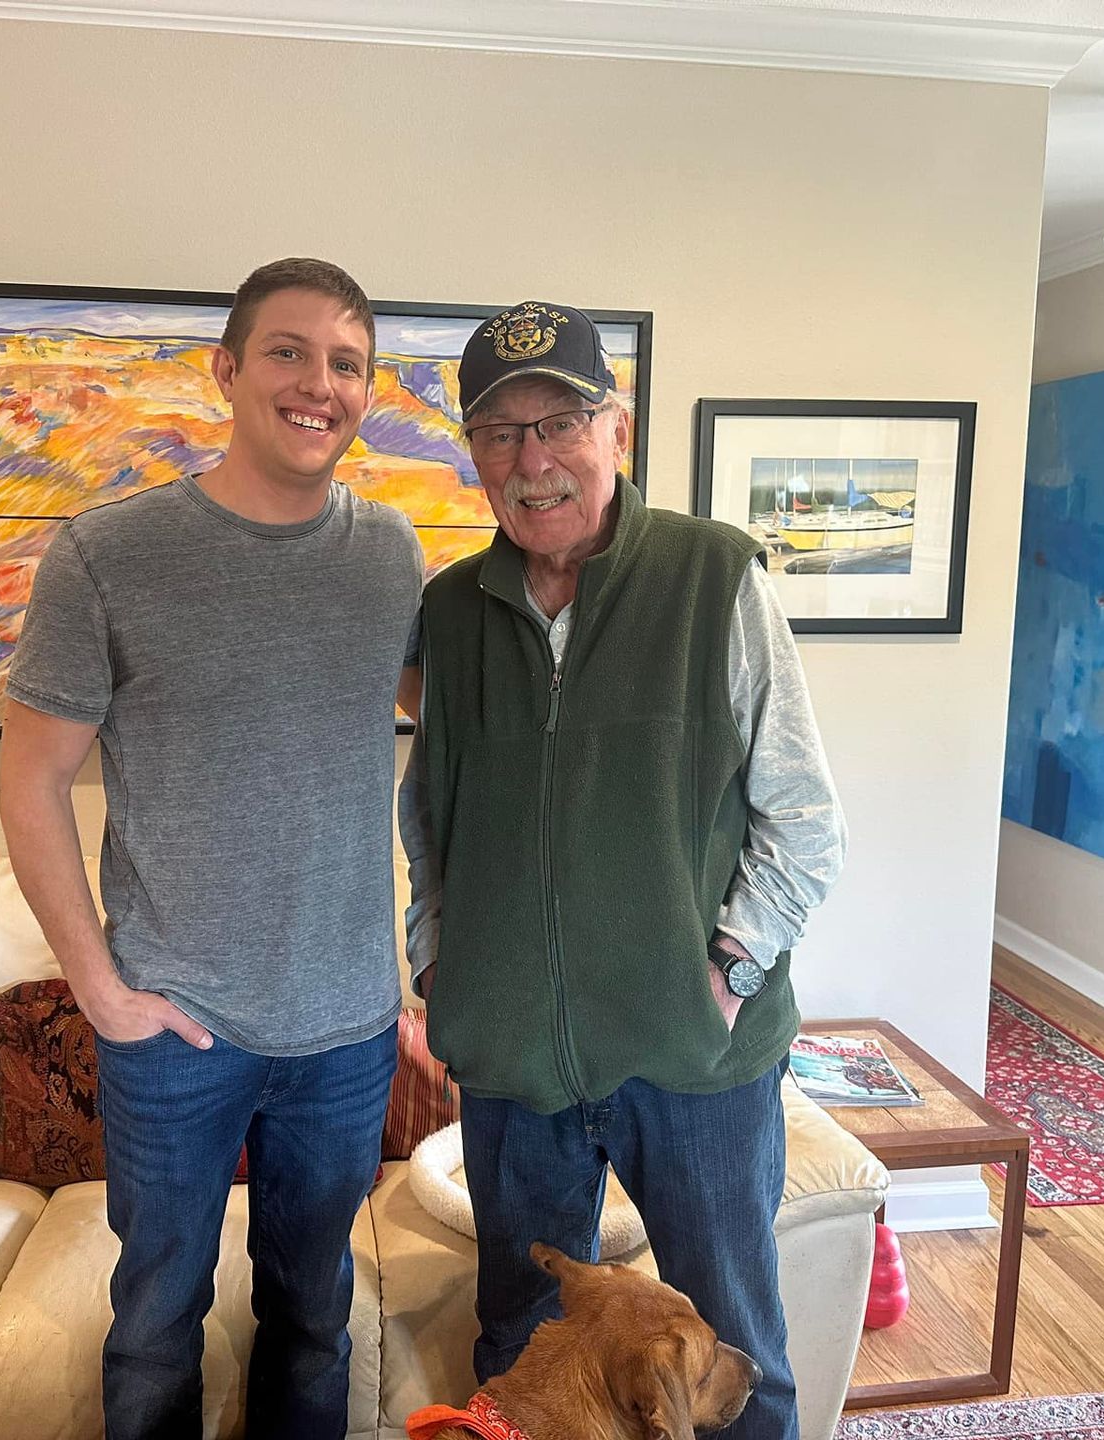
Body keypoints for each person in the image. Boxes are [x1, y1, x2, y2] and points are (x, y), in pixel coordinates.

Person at [398, 301, 847, 1440]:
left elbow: (803, 817)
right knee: (519, 1354)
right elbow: (431, 821)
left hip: (694, 1062)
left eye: (560, 421)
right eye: (499, 433)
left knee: (735, 1360)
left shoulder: (713, 578)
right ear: (474, 453)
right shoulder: (452, 613)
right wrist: (442, 967)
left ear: (618, 430)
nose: (532, 459)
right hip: (516, 1072)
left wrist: (727, 973)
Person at [0, 257, 423, 1440]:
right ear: (228, 371)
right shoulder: (108, 555)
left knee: (312, 1318)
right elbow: (31, 783)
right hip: (175, 1030)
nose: (318, 384)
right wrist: (102, 990)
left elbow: (462, 739)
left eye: (346, 363)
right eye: (288, 352)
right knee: (155, 1323)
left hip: (345, 1028)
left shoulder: (390, 556)